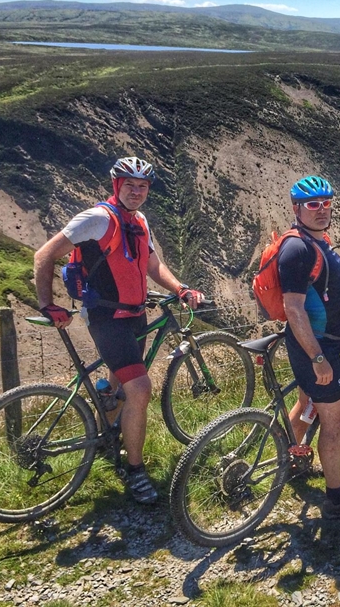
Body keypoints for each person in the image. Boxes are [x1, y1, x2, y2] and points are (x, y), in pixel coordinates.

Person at [33, 156, 204, 504]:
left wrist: (180, 289)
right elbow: (44, 254)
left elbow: (153, 263)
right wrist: (47, 305)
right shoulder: (97, 218)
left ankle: (104, 440)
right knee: (140, 388)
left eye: (142, 186)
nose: (137, 191)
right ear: (117, 186)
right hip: (107, 319)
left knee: (118, 383)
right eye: (130, 185)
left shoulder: (139, 220)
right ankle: (135, 472)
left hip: (135, 315)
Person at [279, 175, 340, 520]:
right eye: (312, 205)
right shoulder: (297, 248)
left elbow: (332, 287)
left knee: (308, 403)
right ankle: (336, 500)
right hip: (318, 347)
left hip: (322, 344)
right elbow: (293, 308)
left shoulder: (318, 241)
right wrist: (318, 359)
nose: (321, 210)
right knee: (335, 420)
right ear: (296, 209)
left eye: (326, 203)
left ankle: (290, 459)